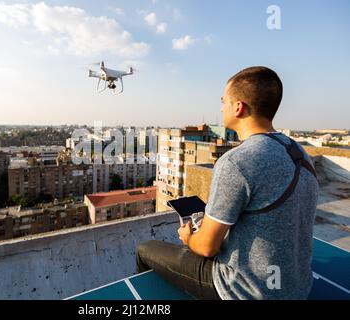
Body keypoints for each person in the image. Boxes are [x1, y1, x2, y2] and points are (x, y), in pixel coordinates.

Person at [136, 66, 319, 300]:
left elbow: (206, 248)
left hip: (247, 291)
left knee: (145, 250)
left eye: (224, 101)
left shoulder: (237, 161)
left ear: (238, 107)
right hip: (298, 288)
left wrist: (188, 237)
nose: (221, 108)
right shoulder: (301, 154)